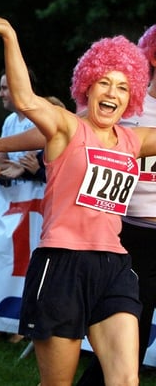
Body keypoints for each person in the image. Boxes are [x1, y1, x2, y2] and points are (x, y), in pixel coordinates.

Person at [0, 13, 152, 386]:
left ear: (133, 98)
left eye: (123, 88)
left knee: (125, 381)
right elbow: (26, 100)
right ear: (87, 87)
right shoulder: (67, 126)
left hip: (114, 267)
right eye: (104, 83)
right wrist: (9, 36)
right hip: (62, 264)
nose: (112, 93)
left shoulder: (134, 140)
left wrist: (0, 143)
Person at [76, 23, 156, 385]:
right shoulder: (128, 102)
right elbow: (69, 128)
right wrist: (1, 146)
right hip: (132, 235)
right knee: (128, 343)